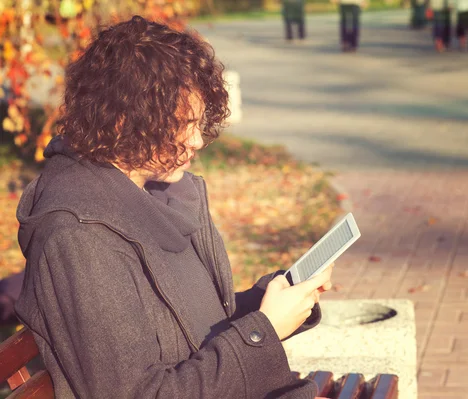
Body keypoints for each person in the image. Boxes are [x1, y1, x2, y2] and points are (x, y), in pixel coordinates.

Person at [15, 15, 334, 398]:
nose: (198, 141)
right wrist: (260, 332)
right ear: (121, 119)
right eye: (184, 123)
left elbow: (200, 329)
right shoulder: (77, 238)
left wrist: (275, 300)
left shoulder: (159, 196)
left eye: (200, 122)